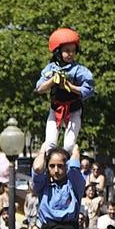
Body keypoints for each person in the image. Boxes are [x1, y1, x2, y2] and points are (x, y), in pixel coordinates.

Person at [35, 28, 93, 157]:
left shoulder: (79, 70)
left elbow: (89, 90)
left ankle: (71, 158)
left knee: (68, 145)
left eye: (73, 51)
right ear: (58, 52)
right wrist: (53, 81)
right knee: (50, 144)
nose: (71, 54)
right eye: (67, 51)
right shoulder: (50, 68)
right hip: (56, 109)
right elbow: (39, 88)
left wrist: (69, 86)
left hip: (73, 110)